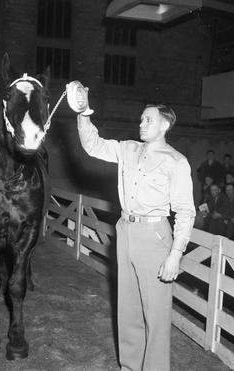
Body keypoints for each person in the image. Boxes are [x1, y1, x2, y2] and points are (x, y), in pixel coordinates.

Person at [76, 100, 195, 371]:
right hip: (126, 231)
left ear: (164, 125)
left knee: (156, 315)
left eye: (148, 120)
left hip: (154, 236)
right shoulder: (128, 148)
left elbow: (186, 213)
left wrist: (175, 255)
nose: (141, 124)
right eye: (141, 119)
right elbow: (92, 145)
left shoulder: (176, 162)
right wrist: (83, 113)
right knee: (128, 309)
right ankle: (129, 366)